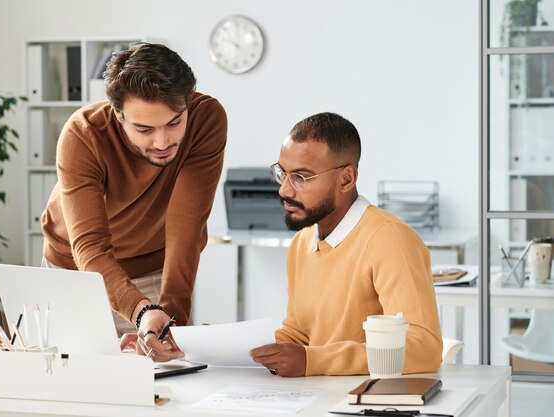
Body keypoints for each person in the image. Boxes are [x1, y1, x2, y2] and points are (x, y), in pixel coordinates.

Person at [40, 43, 227, 361]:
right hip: (74, 270)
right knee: (68, 381)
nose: (163, 142)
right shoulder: (83, 135)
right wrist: (142, 312)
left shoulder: (206, 119)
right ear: (117, 114)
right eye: (144, 129)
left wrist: (170, 323)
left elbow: (186, 229)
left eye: (174, 122)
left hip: (154, 267)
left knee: (164, 388)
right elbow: (90, 248)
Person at [250, 112, 442, 377]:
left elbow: (424, 349)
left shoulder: (390, 240)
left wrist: (313, 361)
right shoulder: (302, 241)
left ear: (346, 179)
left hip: (365, 400)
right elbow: (299, 334)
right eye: (282, 173)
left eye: (301, 178)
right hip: (314, 395)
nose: (285, 190)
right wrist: (238, 348)